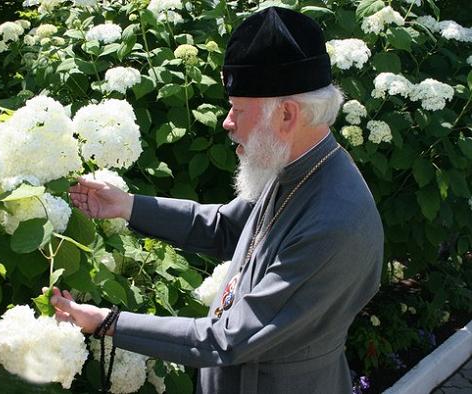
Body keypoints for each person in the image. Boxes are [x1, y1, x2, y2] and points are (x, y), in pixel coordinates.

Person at [52, 6, 384, 394]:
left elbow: (226, 339)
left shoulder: (334, 220)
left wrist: (105, 322)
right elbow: (226, 227)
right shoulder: (297, 166)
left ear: (288, 115)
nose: (227, 122)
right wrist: (126, 206)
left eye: (238, 109)